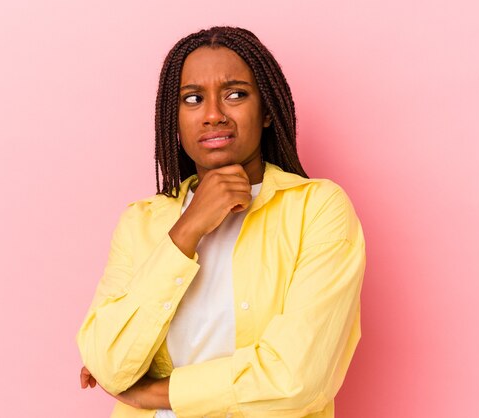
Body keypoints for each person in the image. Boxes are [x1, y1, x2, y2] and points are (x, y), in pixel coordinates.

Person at [76, 26, 366, 418]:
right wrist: (188, 229)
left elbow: (298, 379)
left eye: (235, 94)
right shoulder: (141, 223)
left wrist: (158, 394)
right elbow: (108, 362)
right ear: (173, 120)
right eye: (193, 99)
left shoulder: (317, 209)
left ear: (266, 111)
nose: (213, 115)